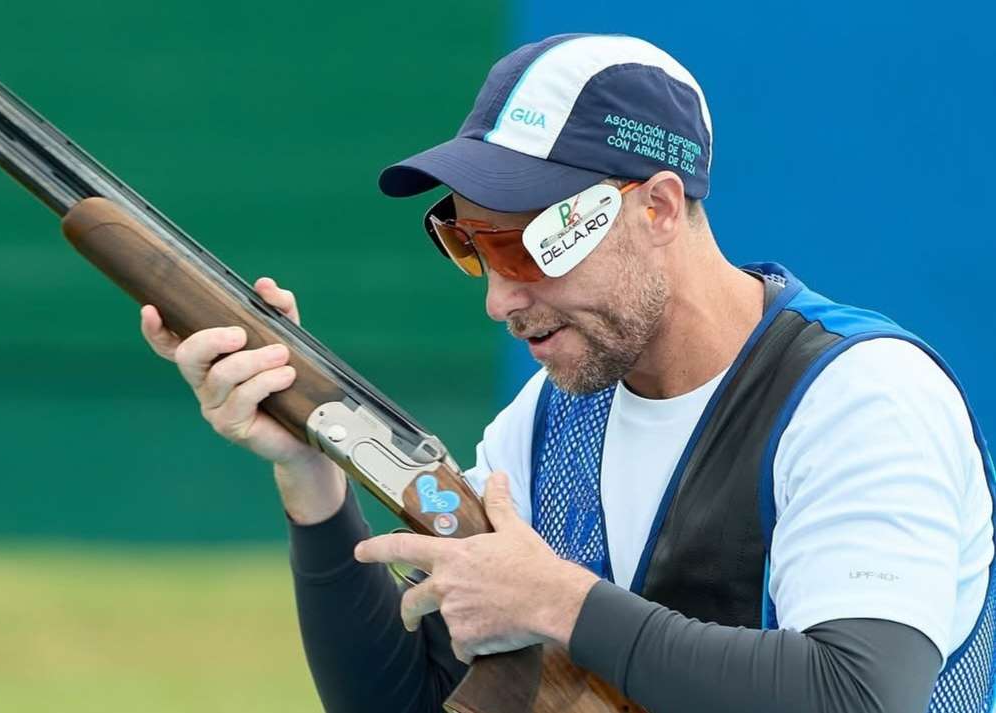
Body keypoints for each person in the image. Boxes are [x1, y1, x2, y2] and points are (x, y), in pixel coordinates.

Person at [140, 33, 996, 713]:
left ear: (657, 207)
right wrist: (311, 471)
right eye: (471, 246)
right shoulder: (545, 425)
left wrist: (560, 602)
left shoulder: (861, 397)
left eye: (529, 243)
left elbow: (858, 693)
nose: (500, 298)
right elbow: (409, 699)